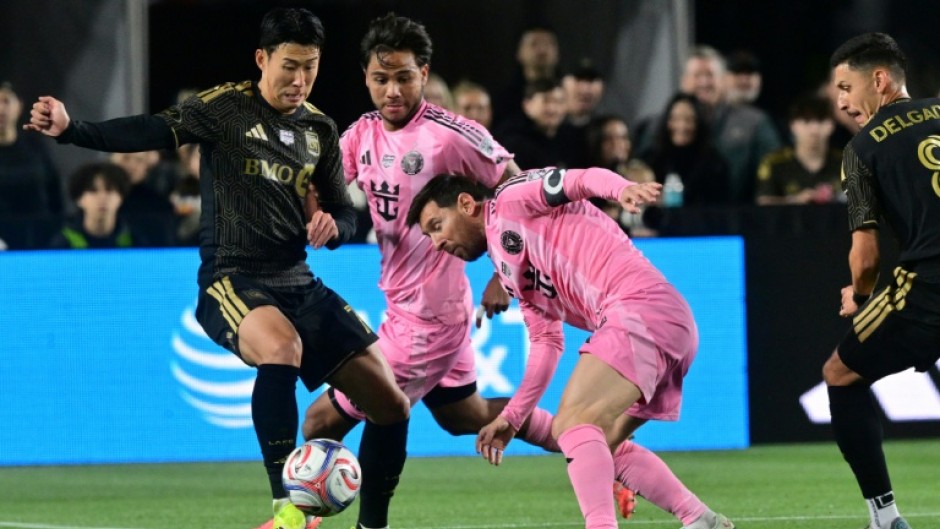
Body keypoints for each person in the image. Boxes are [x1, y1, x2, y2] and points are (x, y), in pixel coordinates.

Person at [25, 8, 410, 529]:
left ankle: (374, 525)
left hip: (297, 280)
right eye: (289, 66)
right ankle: (290, 510)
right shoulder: (226, 108)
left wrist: (333, 227)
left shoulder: (320, 129)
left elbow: (343, 209)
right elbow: (152, 129)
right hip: (232, 277)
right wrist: (75, 130)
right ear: (262, 59)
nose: (300, 80)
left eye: (311, 68)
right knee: (282, 349)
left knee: (391, 405)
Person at [294, 13, 564, 529]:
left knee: (323, 419)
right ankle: (595, 442)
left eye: (403, 77)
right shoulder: (360, 135)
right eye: (380, 78)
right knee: (468, 417)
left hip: (432, 317)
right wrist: (319, 217)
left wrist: (506, 273)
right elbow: (321, 187)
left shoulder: (451, 135)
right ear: (366, 77)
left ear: (424, 72)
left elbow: (521, 189)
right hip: (408, 307)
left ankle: (317, 519)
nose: (392, 90)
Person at [407, 168, 736, 529]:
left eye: (437, 226)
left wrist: (621, 189)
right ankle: (700, 519)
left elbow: (577, 180)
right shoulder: (508, 269)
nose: (436, 243)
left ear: (466, 204)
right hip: (663, 322)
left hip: (641, 308)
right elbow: (547, 343)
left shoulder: (510, 200)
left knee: (573, 424)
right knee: (603, 444)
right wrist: (513, 417)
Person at [823, 32, 940, 529]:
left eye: (847, 87)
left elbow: (866, 255)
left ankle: (885, 516)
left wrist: (863, 299)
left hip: (929, 287)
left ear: (880, 79)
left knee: (840, 374)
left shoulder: (862, 148)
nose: (843, 102)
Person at [639, 93, 731, 206]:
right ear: (667, 122)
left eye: (689, 120)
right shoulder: (651, 159)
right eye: (675, 119)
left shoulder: (715, 165)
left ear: (699, 123)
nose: (681, 126)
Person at [756, 94, 843, 205]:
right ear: (792, 125)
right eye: (806, 121)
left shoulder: (846, 163)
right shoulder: (774, 163)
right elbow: (763, 202)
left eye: (821, 121)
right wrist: (795, 201)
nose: (814, 130)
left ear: (832, 125)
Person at [0, 81, 63, 218]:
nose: (1, 109)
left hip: (37, 232)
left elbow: (54, 191)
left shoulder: (37, 148)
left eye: (6, 101)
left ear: (19, 106)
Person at [494, 77, 586, 170]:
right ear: (527, 105)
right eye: (546, 101)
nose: (552, 109)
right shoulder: (511, 141)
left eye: (558, 102)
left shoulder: (575, 140)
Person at [48, 161, 137, 249]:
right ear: (79, 199)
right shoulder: (63, 242)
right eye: (93, 191)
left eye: (109, 190)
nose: (102, 198)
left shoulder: (134, 240)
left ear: (121, 198)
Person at [491, 25, 560, 130]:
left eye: (548, 43)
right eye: (534, 44)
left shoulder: (568, 93)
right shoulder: (504, 100)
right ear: (519, 52)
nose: (542, 50)